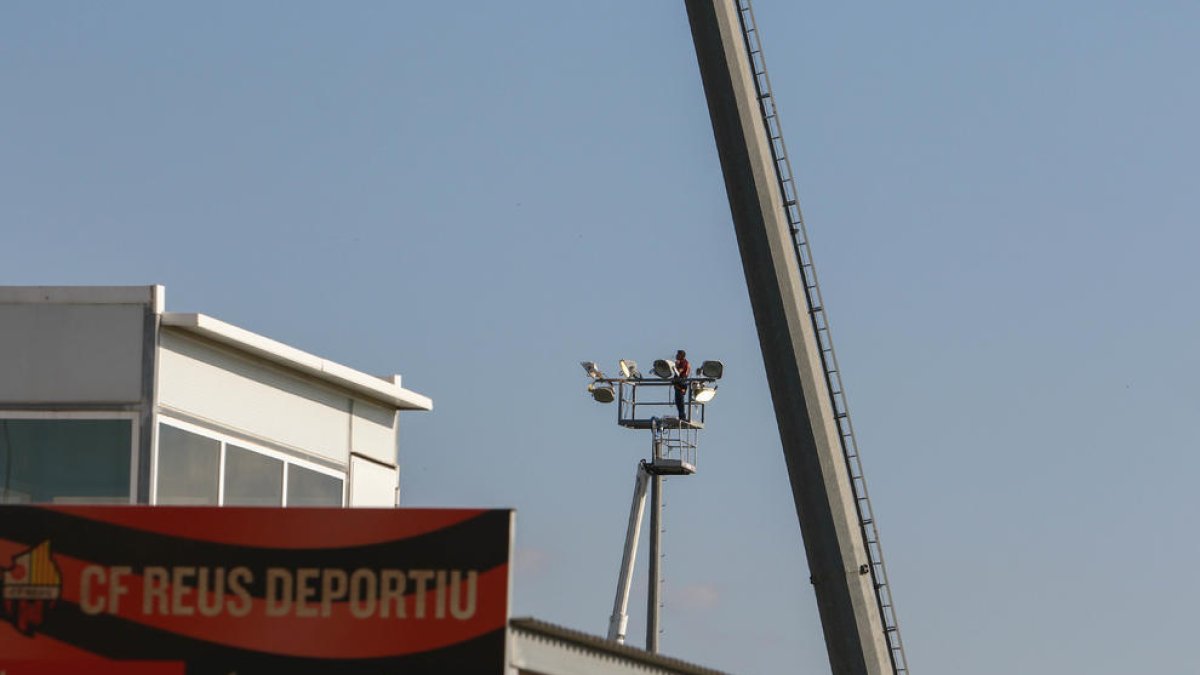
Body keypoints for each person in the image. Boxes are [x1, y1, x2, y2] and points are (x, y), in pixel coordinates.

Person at [673, 349, 690, 420]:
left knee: (680, 401)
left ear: (681, 356)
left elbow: (679, 372)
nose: (676, 356)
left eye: (677, 354)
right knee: (678, 401)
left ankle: (682, 416)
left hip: (681, 383)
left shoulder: (683, 362)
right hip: (679, 384)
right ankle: (681, 415)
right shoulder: (683, 362)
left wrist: (675, 366)